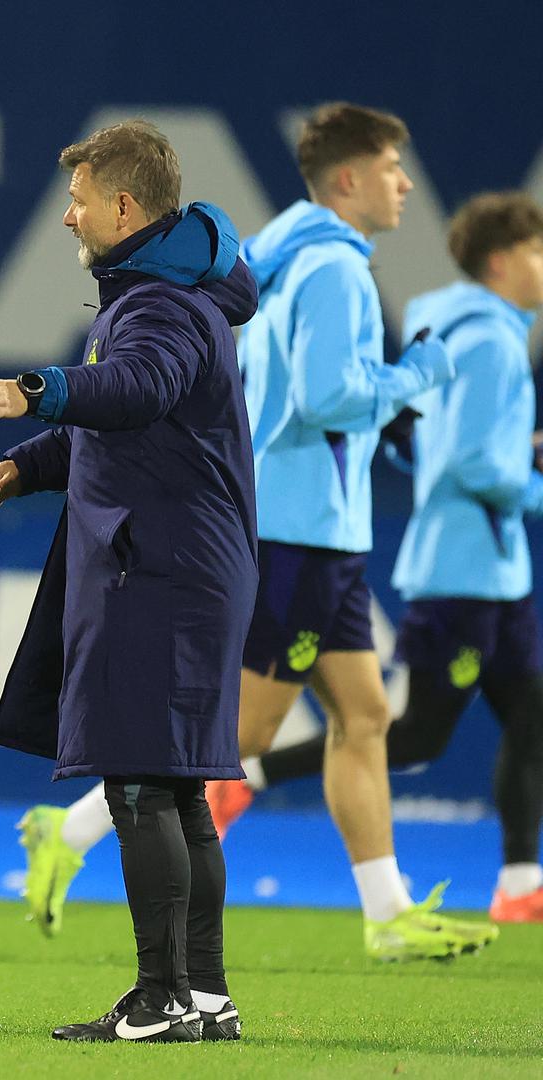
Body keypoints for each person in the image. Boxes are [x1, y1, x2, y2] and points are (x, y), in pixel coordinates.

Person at [18, 103, 498, 963]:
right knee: (223, 742)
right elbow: (328, 398)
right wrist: (417, 374)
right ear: (348, 178)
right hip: (295, 525)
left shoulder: (271, 259)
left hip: (317, 527)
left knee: (366, 713)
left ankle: (383, 909)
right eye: (392, 168)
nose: (405, 186)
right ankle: (74, 835)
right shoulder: (328, 271)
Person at [0, 120, 257, 1042]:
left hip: (156, 569)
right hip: (189, 562)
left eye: (79, 199)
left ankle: (161, 997)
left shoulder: (158, 306)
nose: (68, 218)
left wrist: (34, 391)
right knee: (175, 787)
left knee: (140, 787)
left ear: (123, 207)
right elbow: (139, 423)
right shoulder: (176, 294)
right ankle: (202, 994)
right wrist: (36, 461)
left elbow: (137, 392)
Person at [219, 192, 543, 924]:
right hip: (451, 573)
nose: (404, 185)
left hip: (481, 569)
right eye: (535, 250)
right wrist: (529, 480)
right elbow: (456, 457)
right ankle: (106, 816)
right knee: (390, 732)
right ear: (500, 260)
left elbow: (427, 440)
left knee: (425, 719)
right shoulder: (474, 337)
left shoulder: (468, 331)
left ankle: (499, 886)